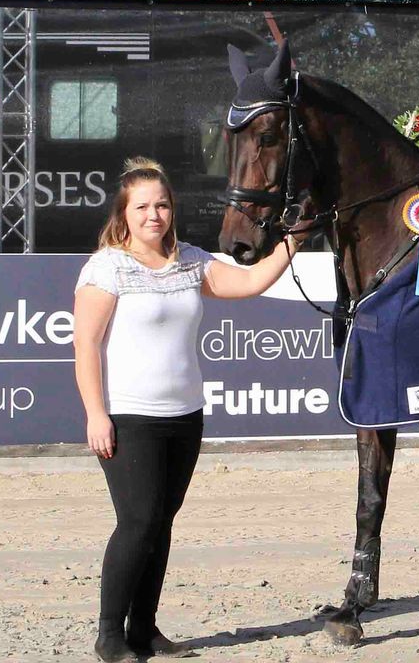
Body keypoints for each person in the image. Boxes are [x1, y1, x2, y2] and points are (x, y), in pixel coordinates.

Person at [73, 157, 302, 661]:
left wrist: (295, 239)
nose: (153, 215)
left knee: (162, 523)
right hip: (129, 416)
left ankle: (144, 630)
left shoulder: (191, 261)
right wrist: (96, 413)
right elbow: (85, 346)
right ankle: (110, 634)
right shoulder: (106, 266)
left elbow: (249, 282)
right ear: (124, 212)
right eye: (142, 207)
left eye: (162, 205)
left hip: (185, 415)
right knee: (138, 521)